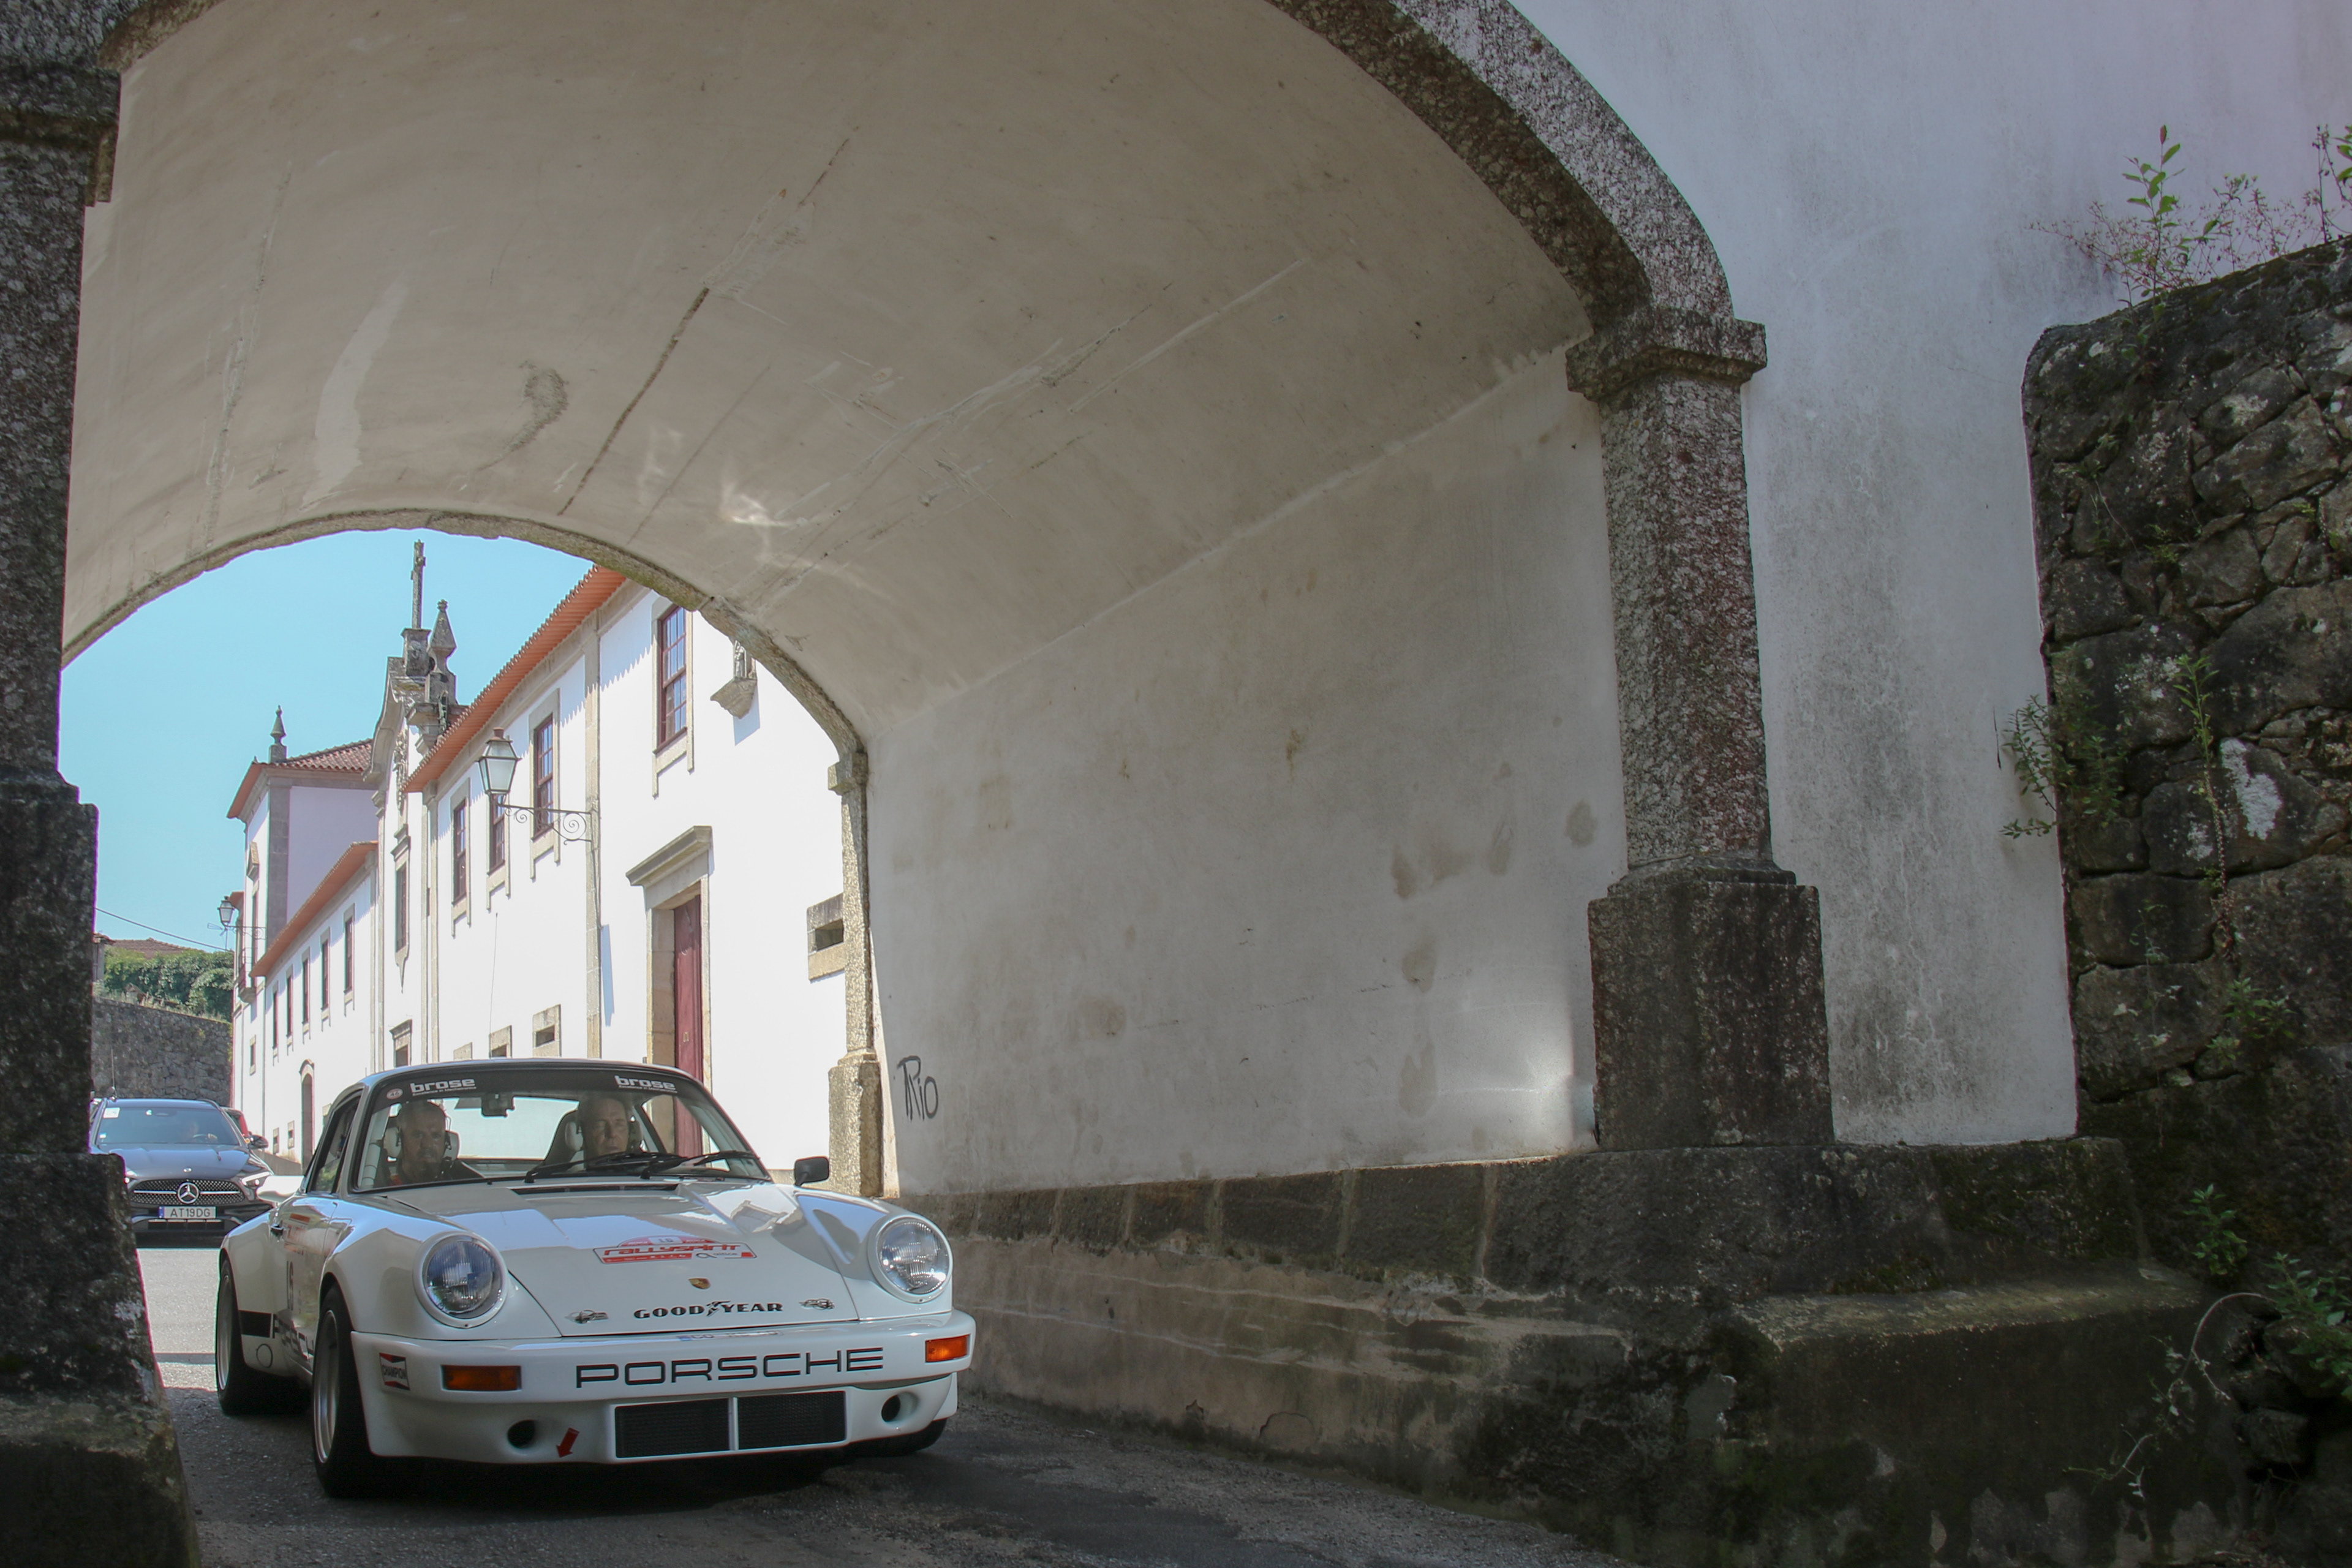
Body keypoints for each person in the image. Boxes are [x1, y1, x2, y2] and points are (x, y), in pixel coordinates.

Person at [386, 1100, 467, 1185]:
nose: (428, 1144)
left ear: (447, 1142)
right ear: (399, 1140)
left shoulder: (467, 1183)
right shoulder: (381, 1186)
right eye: (418, 1135)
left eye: (436, 1136)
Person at [576, 1095, 635, 1162]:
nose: (612, 1134)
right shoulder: (573, 1171)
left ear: (630, 1132)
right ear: (583, 1131)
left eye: (619, 1125)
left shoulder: (644, 1170)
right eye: (600, 1126)